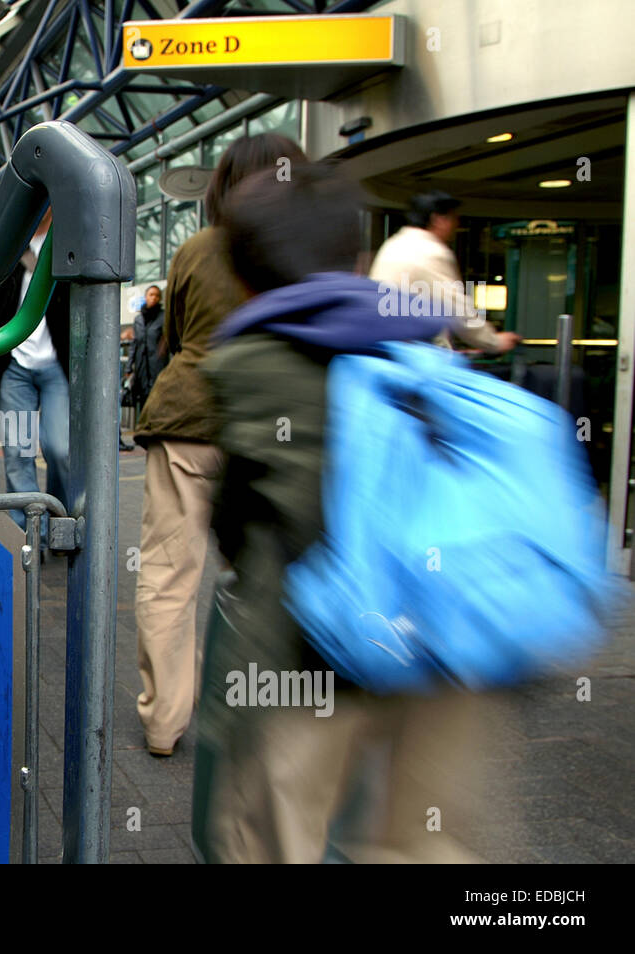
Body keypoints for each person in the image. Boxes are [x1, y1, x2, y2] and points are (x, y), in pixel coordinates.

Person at [194, 162, 488, 863]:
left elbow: (234, 518)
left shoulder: (251, 359)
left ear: (242, 279)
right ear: (355, 257)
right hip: (442, 652)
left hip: (310, 657)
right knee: (417, 839)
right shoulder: (417, 340)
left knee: (267, 836)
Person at [131, 133, 305, 758]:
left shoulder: (197, 248)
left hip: (186, 420)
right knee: (266, 576)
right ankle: (263, 715)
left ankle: (164, 722)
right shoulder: (303, 250)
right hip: (271, 426)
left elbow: (173, 339)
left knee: (169, 575)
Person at [0, 211, 70, 537]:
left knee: (60, 449)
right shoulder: (8, 244)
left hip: (57, 363)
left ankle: (58, 523)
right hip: (14, 365)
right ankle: (28, 534)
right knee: (18, 452)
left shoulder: (69, 239)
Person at [369, 190, 519, 354]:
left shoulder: (393, 245)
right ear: (438, 220)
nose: (457, 224)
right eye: (454, 218)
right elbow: (457, 309)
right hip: (413, 354)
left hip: (386, 348)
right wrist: (494, 341)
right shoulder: (430, 251)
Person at [129, 285, 166, 406]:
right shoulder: (138, 319)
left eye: (157, 295)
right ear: (146, 297)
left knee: (157, 400)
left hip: (157, 367)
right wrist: (129, 367)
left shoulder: (163, 317)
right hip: (141, 368)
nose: (154, 298)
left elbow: (167, 342)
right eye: (151, 295)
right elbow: (134, 344)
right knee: (142, 401)